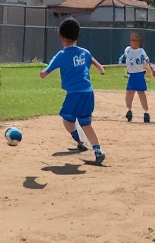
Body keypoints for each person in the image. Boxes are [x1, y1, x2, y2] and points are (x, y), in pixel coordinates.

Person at [40, 17, 106, 165]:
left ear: (62, 37)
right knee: (85, 123)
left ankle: (80, 142)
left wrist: (43, 72)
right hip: (88, 93)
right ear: (77, 35)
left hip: (74, 94)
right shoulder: (84, 52)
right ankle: (98, 150)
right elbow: (91, 59)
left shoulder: (62, 55)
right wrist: (100, 67)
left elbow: (48, 69)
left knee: (67, 120)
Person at [118, 31, 152, 123]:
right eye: (133, 40)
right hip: (132, 75)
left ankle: (146, 113)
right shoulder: (128, 49)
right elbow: (123, 57)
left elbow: (146, 60)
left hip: (140, 74)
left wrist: (148, 66)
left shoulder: (141, 51)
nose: (135, 42)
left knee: (141, 94)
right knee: (129, 93)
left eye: (137, 41)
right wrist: (121, 62)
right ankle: (129, 111)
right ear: (130, 41)